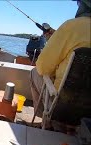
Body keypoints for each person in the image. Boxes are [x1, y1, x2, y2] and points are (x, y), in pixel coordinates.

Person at [30, 0, 91, 132]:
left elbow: (42, 67)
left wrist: (54, 39)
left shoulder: (71, 26)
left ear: (83, 5)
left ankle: (47, 123)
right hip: (88, 115)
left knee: (34, 72)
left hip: (61, 105)